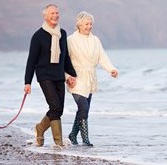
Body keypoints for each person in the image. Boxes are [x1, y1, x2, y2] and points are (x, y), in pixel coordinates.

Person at [24, 4, 77, 148]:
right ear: (45, 16)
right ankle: (58, 142)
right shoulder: (38, 36)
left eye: (57, 13)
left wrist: (72, 75)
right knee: (54, 105)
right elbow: (31, 60)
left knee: (58, 109)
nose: (55, 15)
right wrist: (27, 82)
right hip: (44, 76)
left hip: (59, 75)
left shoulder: (63, 33)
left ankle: (40, 128)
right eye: (52, 13)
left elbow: (65, 57)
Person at [66, 11, 119, 146]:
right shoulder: (71, 40)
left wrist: (111, 69)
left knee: (84, 110)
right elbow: (64, 61)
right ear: (79, 24)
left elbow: (102, 57)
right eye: (86, 24)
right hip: (76, 78)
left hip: (90, 79)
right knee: (83, 107)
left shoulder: (95, 40)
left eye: (91, 24)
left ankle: (72, 135)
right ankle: (86, 140)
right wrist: (67, 77)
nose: (89, 26)